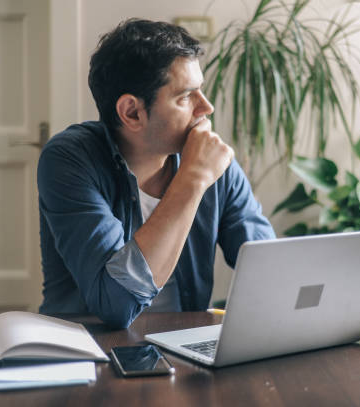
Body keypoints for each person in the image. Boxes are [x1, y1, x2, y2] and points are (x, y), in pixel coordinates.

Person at [37, 19, 275, 329]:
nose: (206, 108)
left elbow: (269, 271)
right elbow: (117, 303)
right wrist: (193, 180)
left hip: (184, 345)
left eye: (201, 91)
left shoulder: (211, 163)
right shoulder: (70, 160)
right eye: (186, 96)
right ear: (132, 112)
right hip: (89, 345)